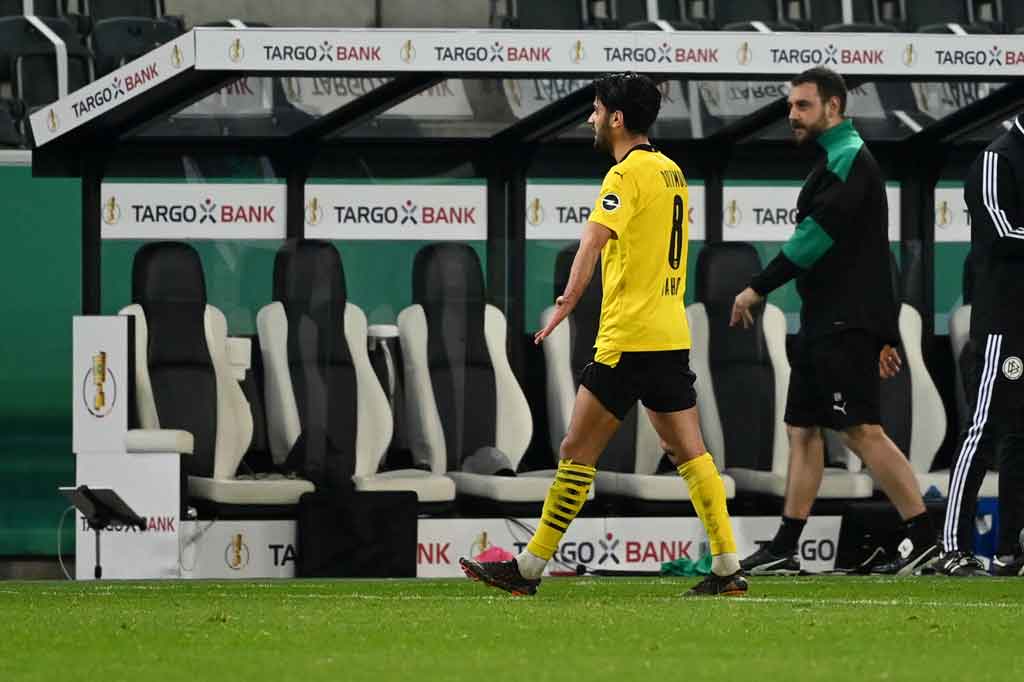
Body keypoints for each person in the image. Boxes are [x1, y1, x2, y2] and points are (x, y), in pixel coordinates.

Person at [459, 72, 747, 597]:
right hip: (669, 332)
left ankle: (527, 569)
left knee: (575, 448)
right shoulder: (671, 171)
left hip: (628, 337)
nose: (591, 118)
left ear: (616, 118)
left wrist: (564, 305)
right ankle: (728, 565)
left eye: (595, 110)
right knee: (690, 452)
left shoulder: (624, 175)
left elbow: (590, 243)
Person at [732, 67, 938, 576]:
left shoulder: (849, 160)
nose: (793, 116)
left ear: (834, 108)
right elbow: (872, 251)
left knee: (861, 431)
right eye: (791, 106)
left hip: (845, 323)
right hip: (825, 321)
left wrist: (758, 285)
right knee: (802, 429)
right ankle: (786, 545)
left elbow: (814, 240)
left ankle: (927, 538)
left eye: (803, 106)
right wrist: (888, 332)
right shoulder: (835, 160)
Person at [933, 113, 1024, 576]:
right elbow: (1000, 232)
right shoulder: (997, 158)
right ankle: (953, 547)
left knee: (1020, 437)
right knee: (984, 430)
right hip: (1004, 324)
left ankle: (1011, 550)